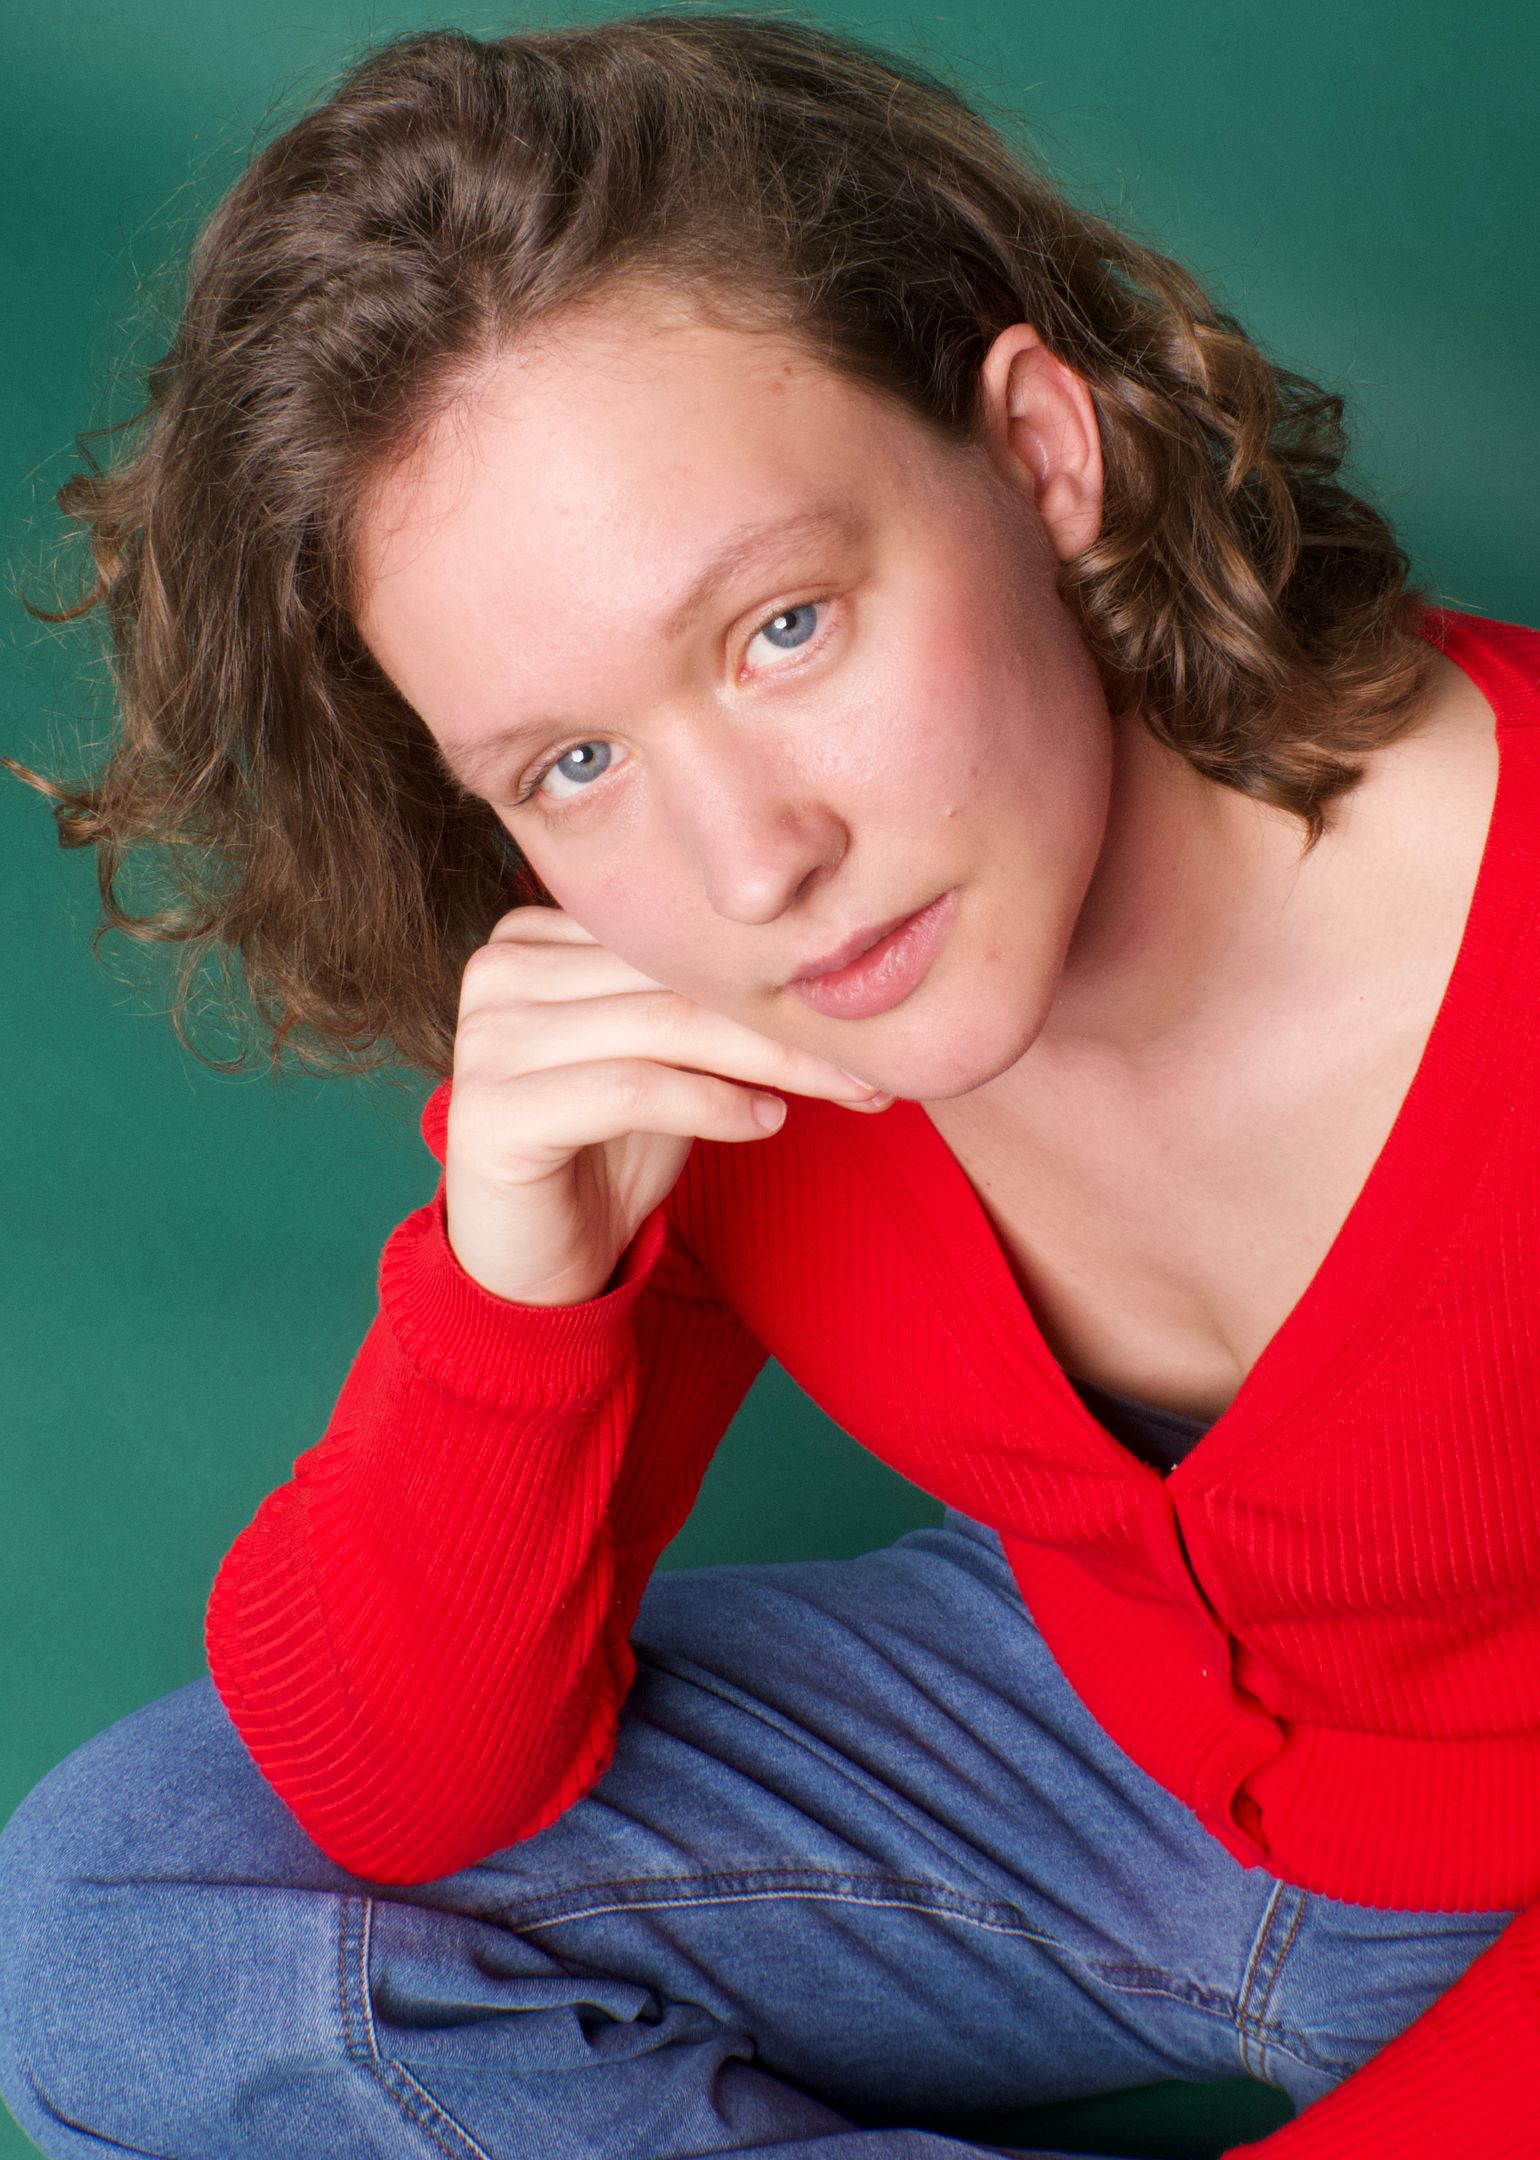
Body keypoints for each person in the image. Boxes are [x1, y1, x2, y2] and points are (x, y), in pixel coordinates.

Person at [1, 11, 1536, 2158]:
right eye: (571, 761)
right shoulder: (703, 998)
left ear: (1041, 455)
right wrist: (513, 1289)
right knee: (126, 1919)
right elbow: (401, 1790)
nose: (748, 866)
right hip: (1092, 1740)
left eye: (782, 628)